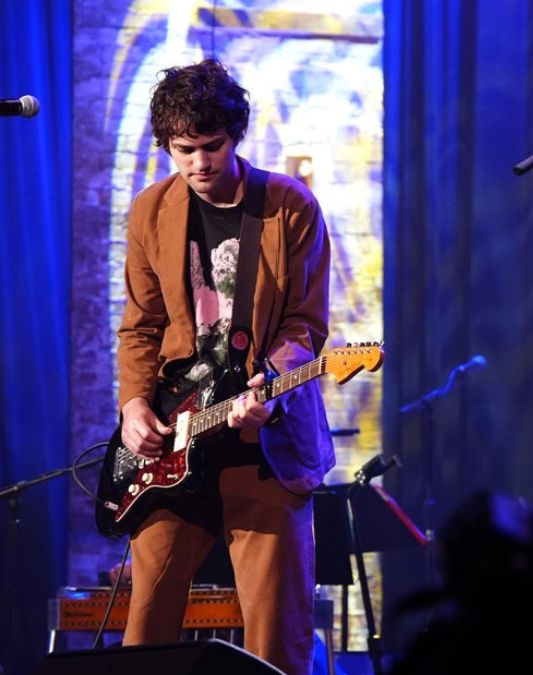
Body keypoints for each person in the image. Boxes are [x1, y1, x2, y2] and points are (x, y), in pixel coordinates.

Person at [116, 58, 333, 674]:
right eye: (183, 150)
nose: (199, 164)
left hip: (264, 445)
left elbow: (306, 325)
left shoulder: (290, 206)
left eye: (212, 147)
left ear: (235, 136)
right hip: (174, 441)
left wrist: (273, 384)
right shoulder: (149, 211)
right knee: (145, 632)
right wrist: (134, 404)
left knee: (276, 641)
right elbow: (141, 324)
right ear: (167, 145)